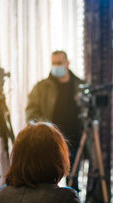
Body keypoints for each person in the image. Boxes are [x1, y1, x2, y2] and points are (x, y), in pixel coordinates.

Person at [26, 50, 83, 191]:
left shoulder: (80, 85)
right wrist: (42, 130)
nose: (56, 66)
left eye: (59, 63)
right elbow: (31, 112)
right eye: (54, 63)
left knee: (73, 182)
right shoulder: (41, 87)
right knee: (47, 180)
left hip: (76, 141)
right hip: (50, 142)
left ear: (67, 63)